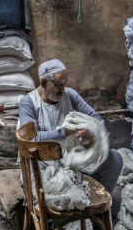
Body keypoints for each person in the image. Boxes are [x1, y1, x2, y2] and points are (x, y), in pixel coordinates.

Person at [17, 58, 123, 195]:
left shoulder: (70, 95)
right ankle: (60, 208)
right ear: (44, 82)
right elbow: (32, 138)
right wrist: (64, 132)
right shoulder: (28, 103)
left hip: (70, 157)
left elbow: (95, 117)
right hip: (43, 160)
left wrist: (89, 131)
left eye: (65, 84)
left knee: (114, 159)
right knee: (31, 176)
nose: (63, 89)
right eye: (58, 85)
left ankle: (96, 204)